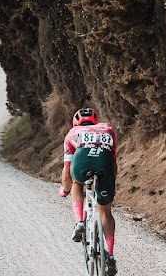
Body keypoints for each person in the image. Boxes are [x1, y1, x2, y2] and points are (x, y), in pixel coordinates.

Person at [59, 107, 118, 276]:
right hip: (105, 164)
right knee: (105, 212)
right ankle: (110, 255)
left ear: (75, 122)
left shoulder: (73, 133)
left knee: (77, 182)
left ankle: (79, 222)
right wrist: (111, 186)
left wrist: (65, 189)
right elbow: (113, 164)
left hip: (82, 162)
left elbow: (67, 170)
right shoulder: (107, 129)